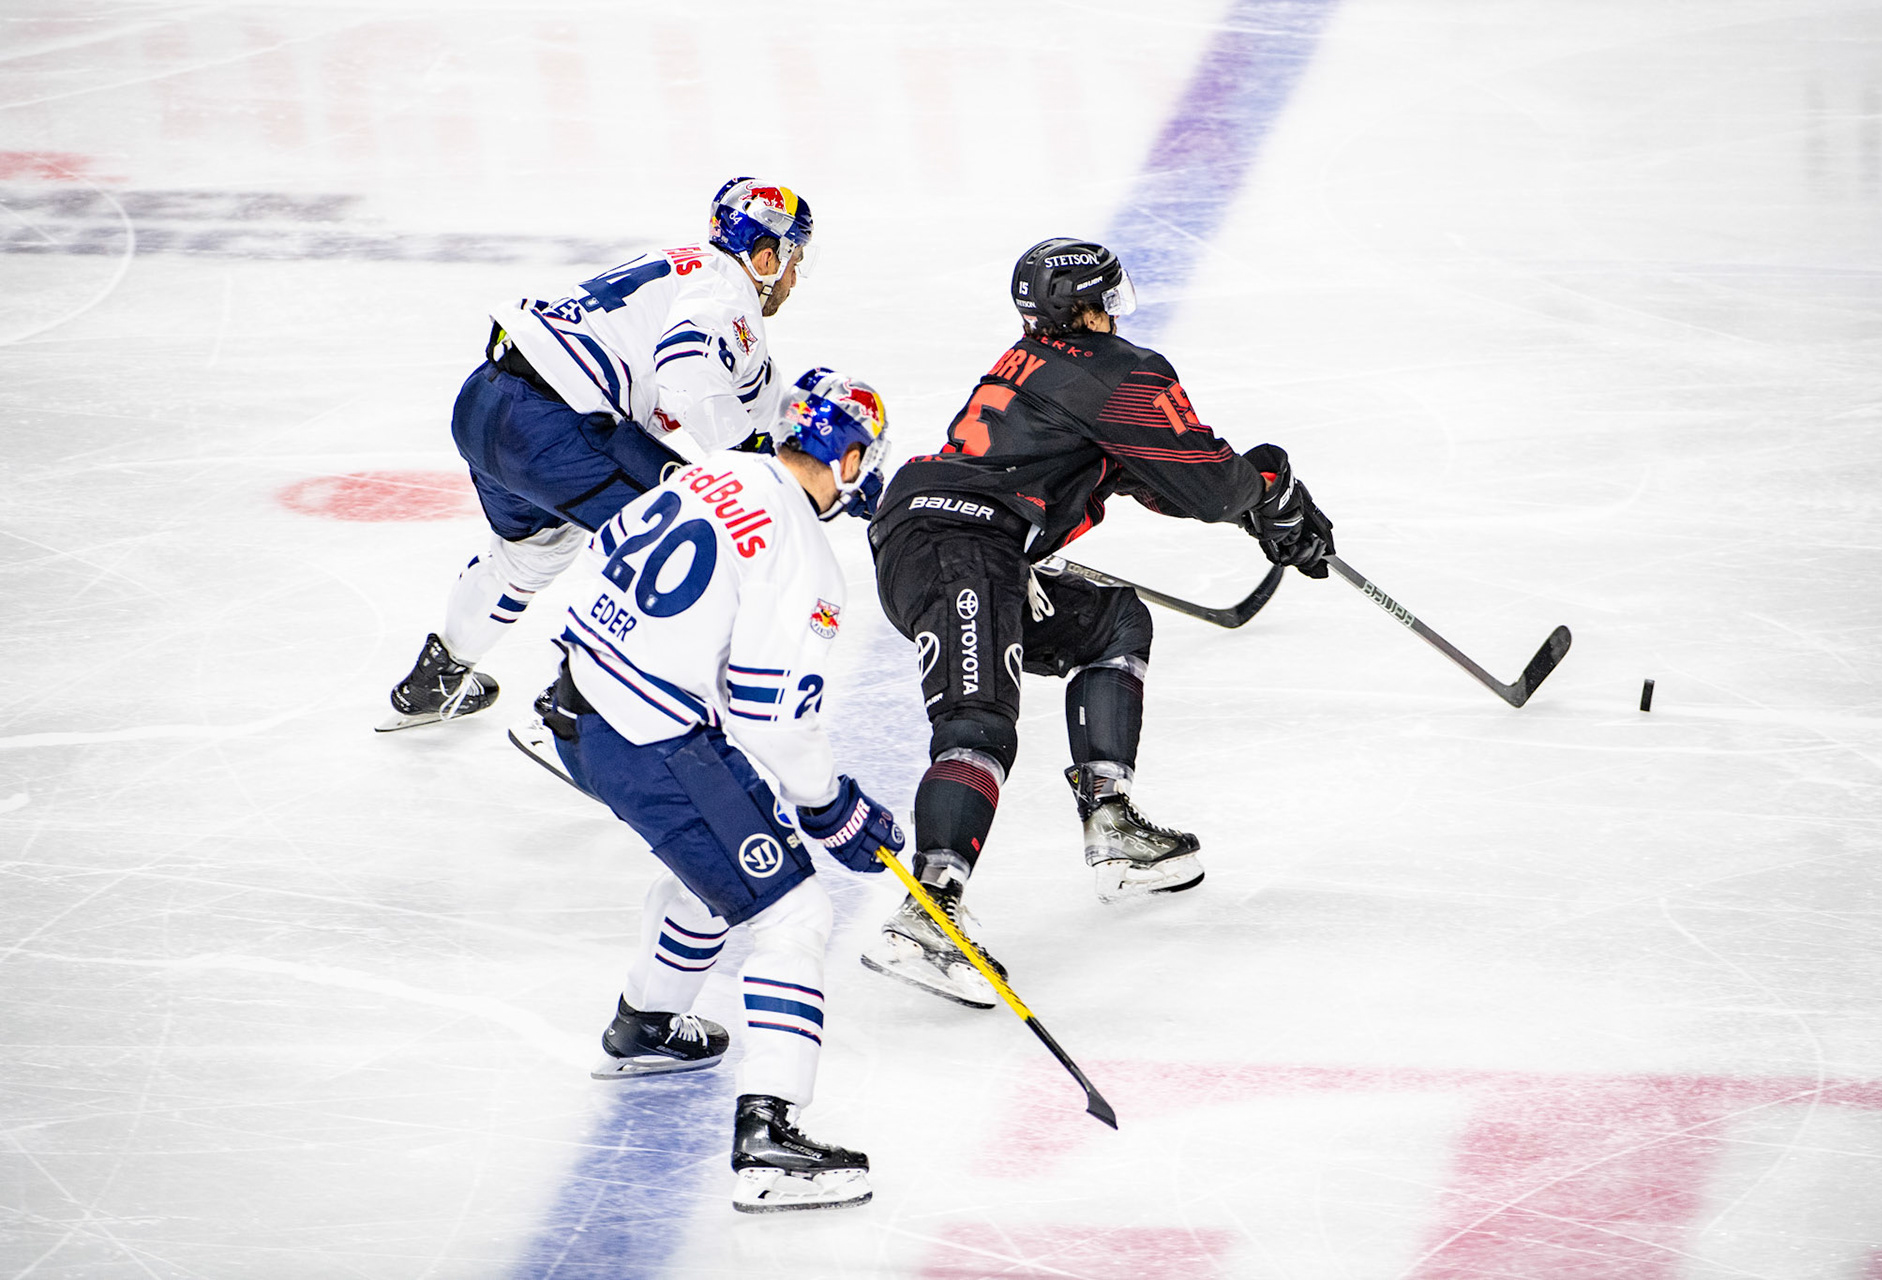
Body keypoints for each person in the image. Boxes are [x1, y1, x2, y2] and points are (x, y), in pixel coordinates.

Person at [859, 237, 1335, 1008]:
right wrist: (1269, 488)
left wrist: (1258, 508)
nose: (1116, 309)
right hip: (963, 548)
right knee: (978, 725)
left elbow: (1153, 477)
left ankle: (1110, 821)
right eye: (1107, 296)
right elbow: (1209, 486)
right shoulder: (1117, 372)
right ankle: (930, 911)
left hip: (958, 540)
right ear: (1082, 304)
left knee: (1112, 623)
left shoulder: (1035, 362)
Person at [531, 368, 899, 1213]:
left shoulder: (711, 472)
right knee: (793, 912)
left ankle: (646, 1026)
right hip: (651, 740)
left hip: (578, 706)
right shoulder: (803, 555)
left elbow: (597, 564)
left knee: (723, 864)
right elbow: (772, 720)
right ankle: (768, 1139)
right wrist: (831, 808)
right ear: (845, 456)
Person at [378, 177, 816, 731]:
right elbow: (685, 368)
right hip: (551, 427)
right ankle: (574, 714)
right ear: (766, 255)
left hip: (485, 402)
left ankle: (436, 678)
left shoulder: (687, 268)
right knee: (688, 540)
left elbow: (762, 401)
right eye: (795, 258)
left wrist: (820, 460)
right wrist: (747, 466)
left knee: (532, 553)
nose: (797, 278)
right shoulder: (728, 296)